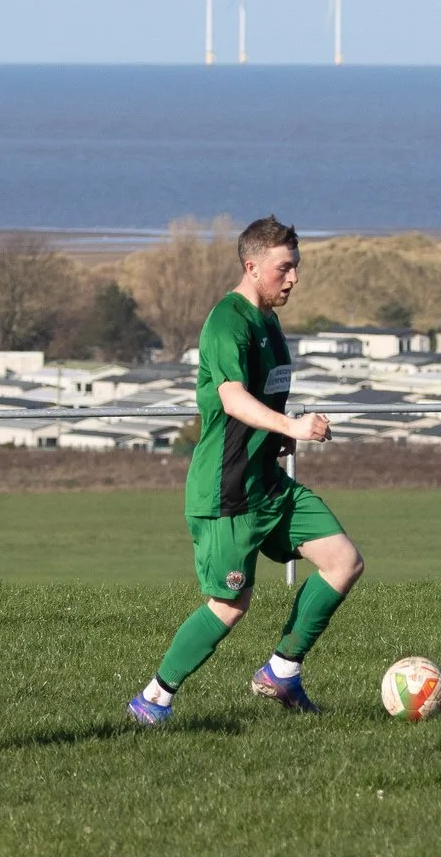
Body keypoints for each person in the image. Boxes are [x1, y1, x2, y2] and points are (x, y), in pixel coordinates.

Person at [128, 215, 364, 721]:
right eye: (285, 268)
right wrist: (294, 427)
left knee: (343, 561)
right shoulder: (226, 321)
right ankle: (152, 699)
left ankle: (280, 672)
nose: (294, 278)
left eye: (297, 267)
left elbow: (262, 403)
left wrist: (281, 438)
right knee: (230, 605)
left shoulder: (271, 323)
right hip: (226, 489)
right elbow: (232, 399)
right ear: (252, 266)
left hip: (269, 484)